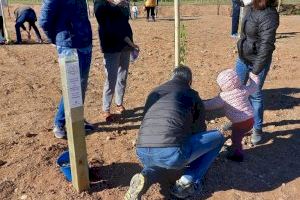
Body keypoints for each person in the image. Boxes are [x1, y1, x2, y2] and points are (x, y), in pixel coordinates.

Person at [125, 66, 225, 200]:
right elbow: (200, 130)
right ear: (190, 82)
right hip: (171, 152)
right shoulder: (192, 95)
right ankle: (186, 182)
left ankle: (145, 176)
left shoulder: (154, 92)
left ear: (171, 77)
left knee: (159, 158)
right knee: (218, 137)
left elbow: (145, 121)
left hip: (142, 151)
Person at [39, 0, 94, 138]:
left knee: (81, 86)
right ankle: (60, 123)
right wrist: (56, 39)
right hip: (69, 45)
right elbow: (44, 21)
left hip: (85, 43)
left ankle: (76, 120)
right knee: (72, 87)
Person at [235, 0, 279, 145]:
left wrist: (256, 71)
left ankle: (257, 129)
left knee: (255, 94)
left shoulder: (270, 15)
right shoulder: (251, 7)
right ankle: (244, 122)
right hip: (243, 58)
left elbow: (266, 46)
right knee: (239, 89)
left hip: (258, 61)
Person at [94, 0, 139, 123]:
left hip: (125, 45)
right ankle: (106, 109)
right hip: (111, 45)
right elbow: (105, 23)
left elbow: (124, 22)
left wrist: (130, 43)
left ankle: (119, 103)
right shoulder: (100, 3)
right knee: (111, 79)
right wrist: (115, 4)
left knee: (122, 76)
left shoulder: (123, 4)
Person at [204, 69, 259, 162]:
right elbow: (254, 86)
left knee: (236, 139)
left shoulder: (223, 97)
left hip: (240, 123)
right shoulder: (243, 89)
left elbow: (210, 105)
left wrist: (199, 103)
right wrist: (253, 76)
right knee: (240, 130)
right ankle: (241, 132)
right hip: (251, 119)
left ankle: (238, 155)